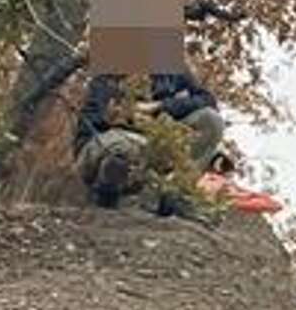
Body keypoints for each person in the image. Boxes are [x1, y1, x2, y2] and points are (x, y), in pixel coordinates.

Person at [72, 69, 227, 208]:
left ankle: (174, 190)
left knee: (211, 120)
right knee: (124, 150)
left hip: (152, 143)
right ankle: (107, 193)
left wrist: (160, 106)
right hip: (102, 142)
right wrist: (127, 115)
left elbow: (207, 99)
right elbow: (94, 119)